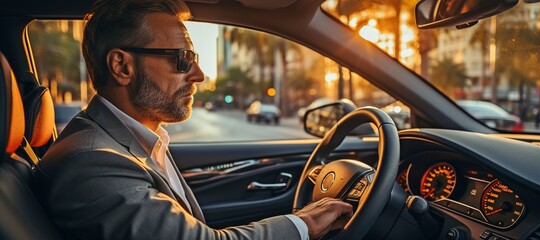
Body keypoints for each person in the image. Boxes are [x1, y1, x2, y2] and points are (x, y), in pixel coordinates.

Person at [35, 0, 353, 239]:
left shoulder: (134, 140)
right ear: (122, 67)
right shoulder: (93, 162)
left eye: (195, 60)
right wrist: (303, 225)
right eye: (182, 59)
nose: (198, 75)